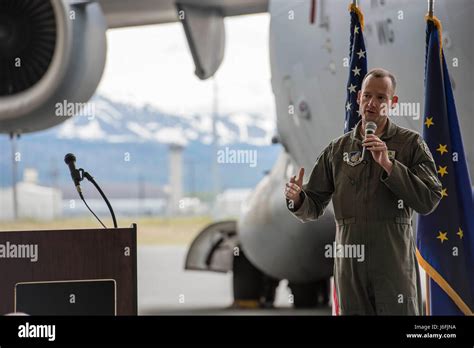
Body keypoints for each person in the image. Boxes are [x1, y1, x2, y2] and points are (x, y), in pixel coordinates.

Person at [284, 68, 442, 315]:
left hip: (392, 261)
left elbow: (429, 199)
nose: (372, 103)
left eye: (381, 98)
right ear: (358, 98)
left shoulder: (411, 145)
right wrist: (297, 198)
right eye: (367, 95)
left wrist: (389, 165)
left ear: (393, 103)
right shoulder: (337, 150)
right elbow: (313, 205)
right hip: (350, 264)